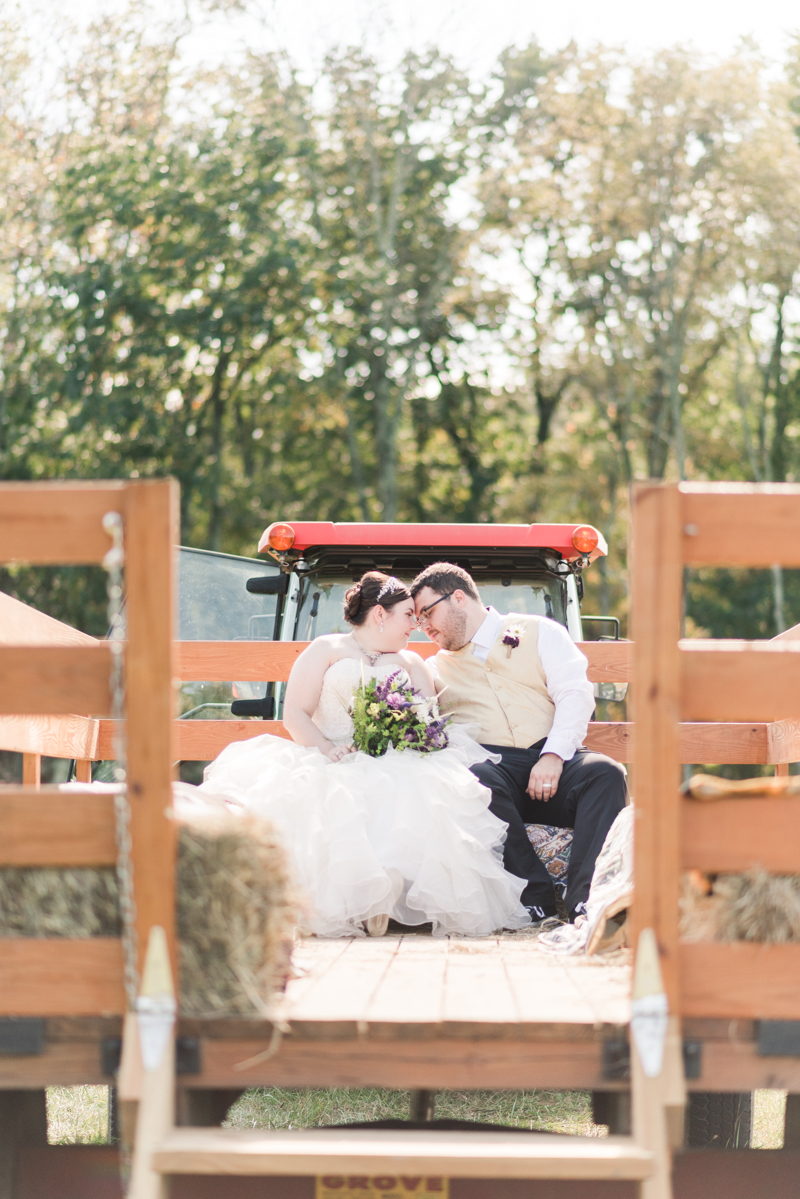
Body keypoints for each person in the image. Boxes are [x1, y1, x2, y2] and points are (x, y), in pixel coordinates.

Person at [185, 571, 530, 939]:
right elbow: (295, 714)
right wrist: (328, 749)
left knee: (417, 787)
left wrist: (409, 739)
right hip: (329, 755)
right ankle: (358, 900)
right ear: (380, 614)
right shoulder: (326, 649)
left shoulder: (412, 664)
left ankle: (388, 892)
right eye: (408, 615)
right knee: (332, 795)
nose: (415, 625)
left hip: (396, 759)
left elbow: (430, 722)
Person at [410, 562, 627, 927]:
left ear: (459, 597)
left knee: (607, 774)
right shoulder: (433, 668)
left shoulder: (540, 632)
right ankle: (535, 900)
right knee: (473, 778)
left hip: (554, 754)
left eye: (427, 613)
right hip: (494, 769)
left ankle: (586, 904)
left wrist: (554, 755)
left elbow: (575, 694)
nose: (424, 626)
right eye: (416, 620)